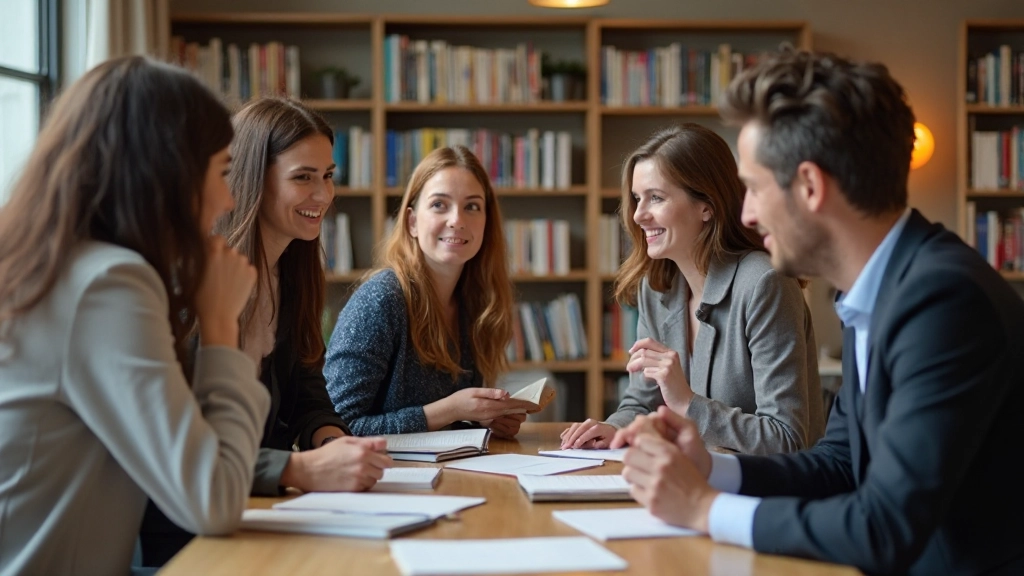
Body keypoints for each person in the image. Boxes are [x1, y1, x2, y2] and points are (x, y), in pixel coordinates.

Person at [613, 48, 1024, 576]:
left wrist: (705, 509)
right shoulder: (881, 291)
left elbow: (886, 527)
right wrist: (710, 469)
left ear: (809, 186)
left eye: (755, 188)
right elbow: (839, 464)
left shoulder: (942, 301)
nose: (746, 214)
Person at [0, 57, 269, 575]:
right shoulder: (106, 285)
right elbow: (213, 500)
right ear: (165, 173)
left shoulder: (53, 266)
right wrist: (219, 327)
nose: (229, 198)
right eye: (221, 172)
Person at [138, 97, 392, 566]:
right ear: (254, 178)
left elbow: (306, 388)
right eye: (303, 177)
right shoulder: (194, 284)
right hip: (187, 535)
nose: (323, 195)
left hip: (260, 509)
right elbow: (186, 446)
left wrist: (332, 442)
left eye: (328, 176)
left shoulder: (292, 272)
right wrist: (302, 468)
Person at [561, 124, 824, 455]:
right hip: (693, 482)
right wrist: (614, 427)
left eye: (656, 198)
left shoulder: (764, 282)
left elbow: (786, 438)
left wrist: (687, 403)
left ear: (707, 205)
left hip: (766, 493)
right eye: (636, 199)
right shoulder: (655, 288)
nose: (639, 215)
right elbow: (642, 401)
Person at [325, 146, 535, 436]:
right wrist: (453, 410)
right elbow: (335, 428)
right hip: (384, 478)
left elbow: (442, 430)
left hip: (449, 475)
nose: (457, 220)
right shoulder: (380, 299)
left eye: (472, 206)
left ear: (487, 222)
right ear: (412, 222)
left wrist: (482, 418)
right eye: (439, 205)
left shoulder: (477, 305)